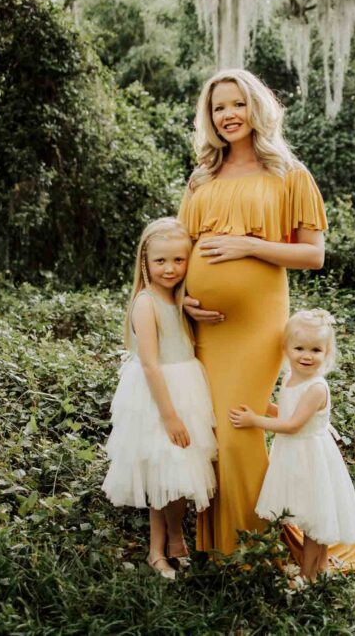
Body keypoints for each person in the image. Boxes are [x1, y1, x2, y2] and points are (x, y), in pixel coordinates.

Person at [178, 68, 355, 573]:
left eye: (238, 104)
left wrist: (248, 245)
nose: (228, 115)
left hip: (257, 324)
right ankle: (219, 544)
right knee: (210, 427)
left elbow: (313, 255)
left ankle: (253, 550)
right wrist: (182, 297)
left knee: (239, 427)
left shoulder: (291, 175)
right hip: (205, 326)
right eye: (218, 107)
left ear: (257, 109)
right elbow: (175, 253)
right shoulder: (201, 178)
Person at [101, 217, 218, 579]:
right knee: (161, 472)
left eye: (179, 260)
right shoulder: (146, 303)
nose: (170, 269)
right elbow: (151, 365)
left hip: (188, 387)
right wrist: (169, 416)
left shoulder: (176, 299)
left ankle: (176, 541)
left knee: (181, 471)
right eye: (161, 261)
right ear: (144, 262)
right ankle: (156, 551)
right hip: (159, 396)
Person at [229, 310, 355, 581]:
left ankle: (308, 574)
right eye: (299, 348)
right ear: (285, 348)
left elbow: (293, 424)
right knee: (310, 512)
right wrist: (266, 407)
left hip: (310, 454)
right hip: (295, 452)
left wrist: (254, 420)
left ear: (327, 352)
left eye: (316, 349)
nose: (306, 355)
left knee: (315, 517)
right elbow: (289, 411)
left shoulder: (316, 387)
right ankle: (320, 566)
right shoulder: (292, 376)